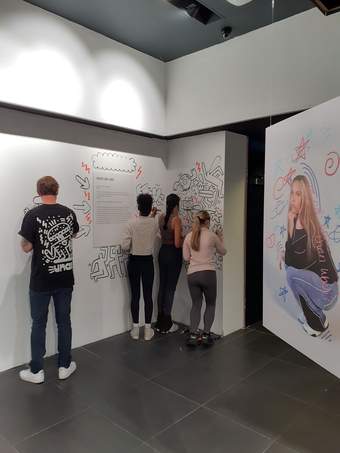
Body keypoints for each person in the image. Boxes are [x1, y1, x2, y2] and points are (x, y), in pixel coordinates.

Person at [18, 176, 79, 384]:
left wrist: (37, 242)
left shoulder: (32, 215)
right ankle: (64, 365)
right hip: (64, 278)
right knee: (64, 322)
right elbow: (73, 235)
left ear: (39, 191)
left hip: (41, 280)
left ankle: (37, 371)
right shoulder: (69, 213)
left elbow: (26, 246)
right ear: (57, 190)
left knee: (38, 324)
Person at [284, 175, 338, 336]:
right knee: (294, 272)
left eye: (298, 194)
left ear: (305, 198)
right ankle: (316, 316)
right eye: (292, 193)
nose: (293, 198)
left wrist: (289, 224)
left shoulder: (302, 223)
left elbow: (291, 261)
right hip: (325, 287)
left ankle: (316, 324)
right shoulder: (307, 221)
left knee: (291, 274)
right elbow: (295, 258)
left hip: (327, 291)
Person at [183, 210, 226, 346]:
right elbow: (223, 251)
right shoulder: (212, 236)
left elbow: (185, 258)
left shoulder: (189, 236)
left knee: (196, 304)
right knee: (211, 304)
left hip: (192, 275)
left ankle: (193, 335)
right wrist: (221, 237)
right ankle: (206, 335)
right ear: (207, 222)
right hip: (208, 274)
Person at [122, 193, 159, 341]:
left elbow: (124, 246)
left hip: (134, 261)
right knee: (148, 295)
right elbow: (153, 220)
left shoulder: (130, 223)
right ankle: (148, 330)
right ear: (150, 207)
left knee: (135, 295)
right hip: (148, 262)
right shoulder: (154, 222)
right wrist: (153, 214)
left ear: (138, 206)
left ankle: (136, 329)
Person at [155, 194, 183, 334]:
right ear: (176, 205)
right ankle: (167, 323)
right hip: (173, 254)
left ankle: (160, 321)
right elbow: (178, 243)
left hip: (162, 252)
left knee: (162, 286)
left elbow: (161, 234)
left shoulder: (161, 217)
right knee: (170, 288)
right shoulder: (176, 220)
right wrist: (187, 238)